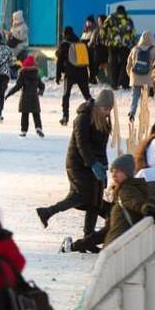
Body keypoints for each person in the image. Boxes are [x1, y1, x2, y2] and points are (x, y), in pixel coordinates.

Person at [37, 89, 114, 238]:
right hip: (77, 164)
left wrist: (103, 167)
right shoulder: (83, 118)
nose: (107, 112)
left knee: (96, 200)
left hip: (93, 164)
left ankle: (88, 236)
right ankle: (47, 212)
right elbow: (81, 144)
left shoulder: (105, 122)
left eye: (109, 109)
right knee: (81, 196)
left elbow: (101, 148)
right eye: (105, 109)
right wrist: (92, 164)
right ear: (99, 105)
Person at [63, 154, 155, 253]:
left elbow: (134, 201)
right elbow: (146, 201)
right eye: (112, 171)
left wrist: (147, 208)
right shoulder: (133, 187)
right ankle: (72, 247)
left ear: (127, 173)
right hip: (118, 230)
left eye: (118, 172)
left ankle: (71, 247)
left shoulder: (126, 189)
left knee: (99, 235)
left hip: (119, 238)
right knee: (100, 234)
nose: (113, 175)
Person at [56, 26, 93, 126]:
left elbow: (59, 61)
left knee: (66, 95)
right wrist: (92, 75)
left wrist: (58, 76)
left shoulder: (64, 45)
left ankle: (65, 116)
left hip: (70, 73)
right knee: (86, 95)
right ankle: (94, 112)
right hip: (82, 72)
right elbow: (89, 60)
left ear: (65, 34)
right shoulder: (81, 43)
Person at [4, 56, 45, 138]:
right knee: (36, 114)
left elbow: (17, 86)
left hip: (25, 97)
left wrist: (9, 94)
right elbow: (42, 85)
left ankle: (23, 131)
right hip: (34, 97)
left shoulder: (22, 73)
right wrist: (40, 91)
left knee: (24, 115)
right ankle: (38, 128)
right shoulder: (36, 74)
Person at [126, 30, 155, 124]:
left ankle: (132, 112)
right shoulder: (154, 50)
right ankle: (143, 114)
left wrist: (131, 75)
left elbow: (129, 65)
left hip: (136, 77)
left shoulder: (135, 49)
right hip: (148, 78)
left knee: (135, 96)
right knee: (145, 97)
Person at [103, 6, 137, 90]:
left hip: (113, 44)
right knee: (125, 63)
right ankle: (125, 83)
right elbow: (133, 32)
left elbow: (103, 29)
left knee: (113, 63)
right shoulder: (128, 18)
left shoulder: (111, 17)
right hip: (125, 44)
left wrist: (104, 39)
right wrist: (133, 42)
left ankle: (114, 84)